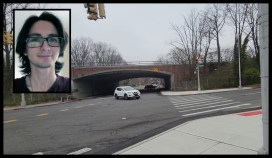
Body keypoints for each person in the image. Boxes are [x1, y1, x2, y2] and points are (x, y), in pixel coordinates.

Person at [14, 11, 70, 93]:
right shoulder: (13, 86)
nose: (45, 47)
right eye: (35, 40)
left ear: (60, 48)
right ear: (24, 49)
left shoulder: (68, 86)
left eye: (53, 40)